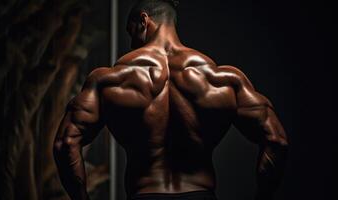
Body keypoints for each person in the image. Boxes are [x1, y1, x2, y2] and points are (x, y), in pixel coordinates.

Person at [53, 0, 289, 199]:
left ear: (143, 21)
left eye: (131, 32)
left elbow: (65, 143)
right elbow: (276, 140)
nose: (132, 42)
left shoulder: (110, 80)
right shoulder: (223, 79)